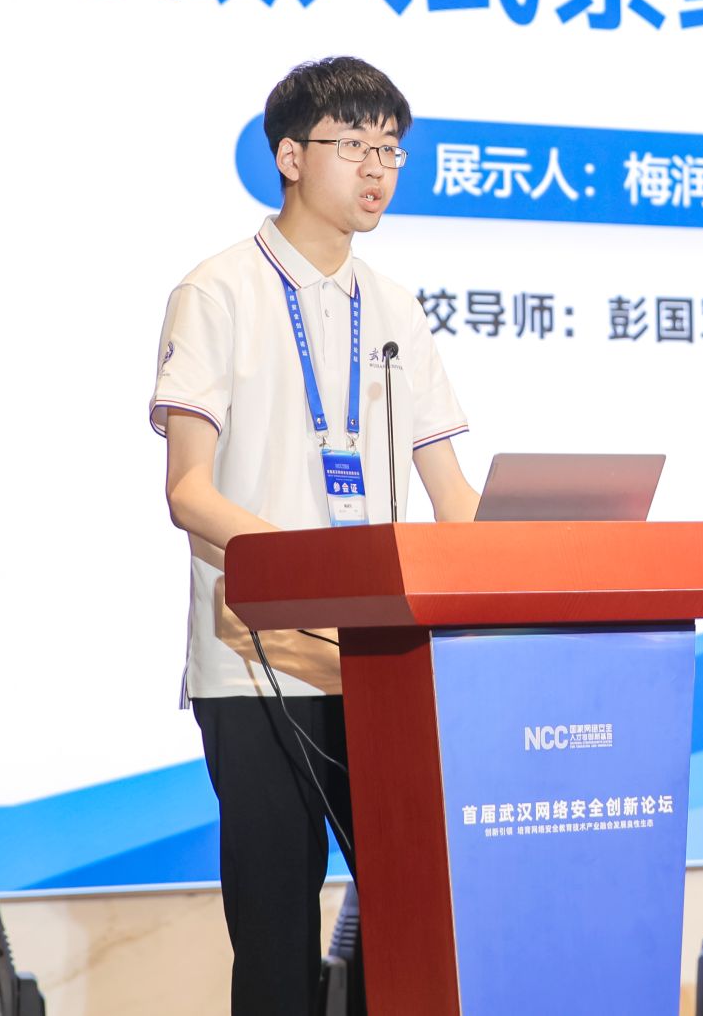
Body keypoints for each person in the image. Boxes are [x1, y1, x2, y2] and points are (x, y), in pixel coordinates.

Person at [149, 55, 480, 1013]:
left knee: (419, 921)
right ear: (290, 157)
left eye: (392, 150)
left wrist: (526, 570)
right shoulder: (216, 291)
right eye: (354, 146)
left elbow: (451, 492)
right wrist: (310, 567)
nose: (377, 169)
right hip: (258, 663)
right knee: (277, 940)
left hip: (379, 661)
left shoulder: (395, 306)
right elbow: (188, 490)